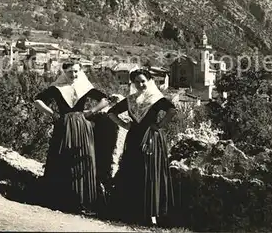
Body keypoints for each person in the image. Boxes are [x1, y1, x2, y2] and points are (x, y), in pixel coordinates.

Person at [34, 61, 109, 215]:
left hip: (82, 126)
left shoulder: (84, 87)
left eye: (76, 72)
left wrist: (91, 111)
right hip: (64, 126)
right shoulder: (57, 88)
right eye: (70, 72)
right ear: (64, 72)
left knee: (82, 159)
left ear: (80, 72)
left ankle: (82, 201)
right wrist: (53, 114)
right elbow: (38, 100)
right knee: (61, 158)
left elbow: (105, 99)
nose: (73, 75)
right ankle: (60, 200)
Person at [107, 68, 177, 226]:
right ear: (133, 83)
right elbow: (111, 112)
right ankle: (132, 211)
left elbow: (172, 109)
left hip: (151, 138)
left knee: (150, 171)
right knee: (134, 170)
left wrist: (159, 126)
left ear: (149, 81)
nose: (140, 84)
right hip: (133, 138)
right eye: (137, 82)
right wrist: (124, 124)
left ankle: (152, 213)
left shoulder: (156, 98)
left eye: (143, 81)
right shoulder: (130, 100)